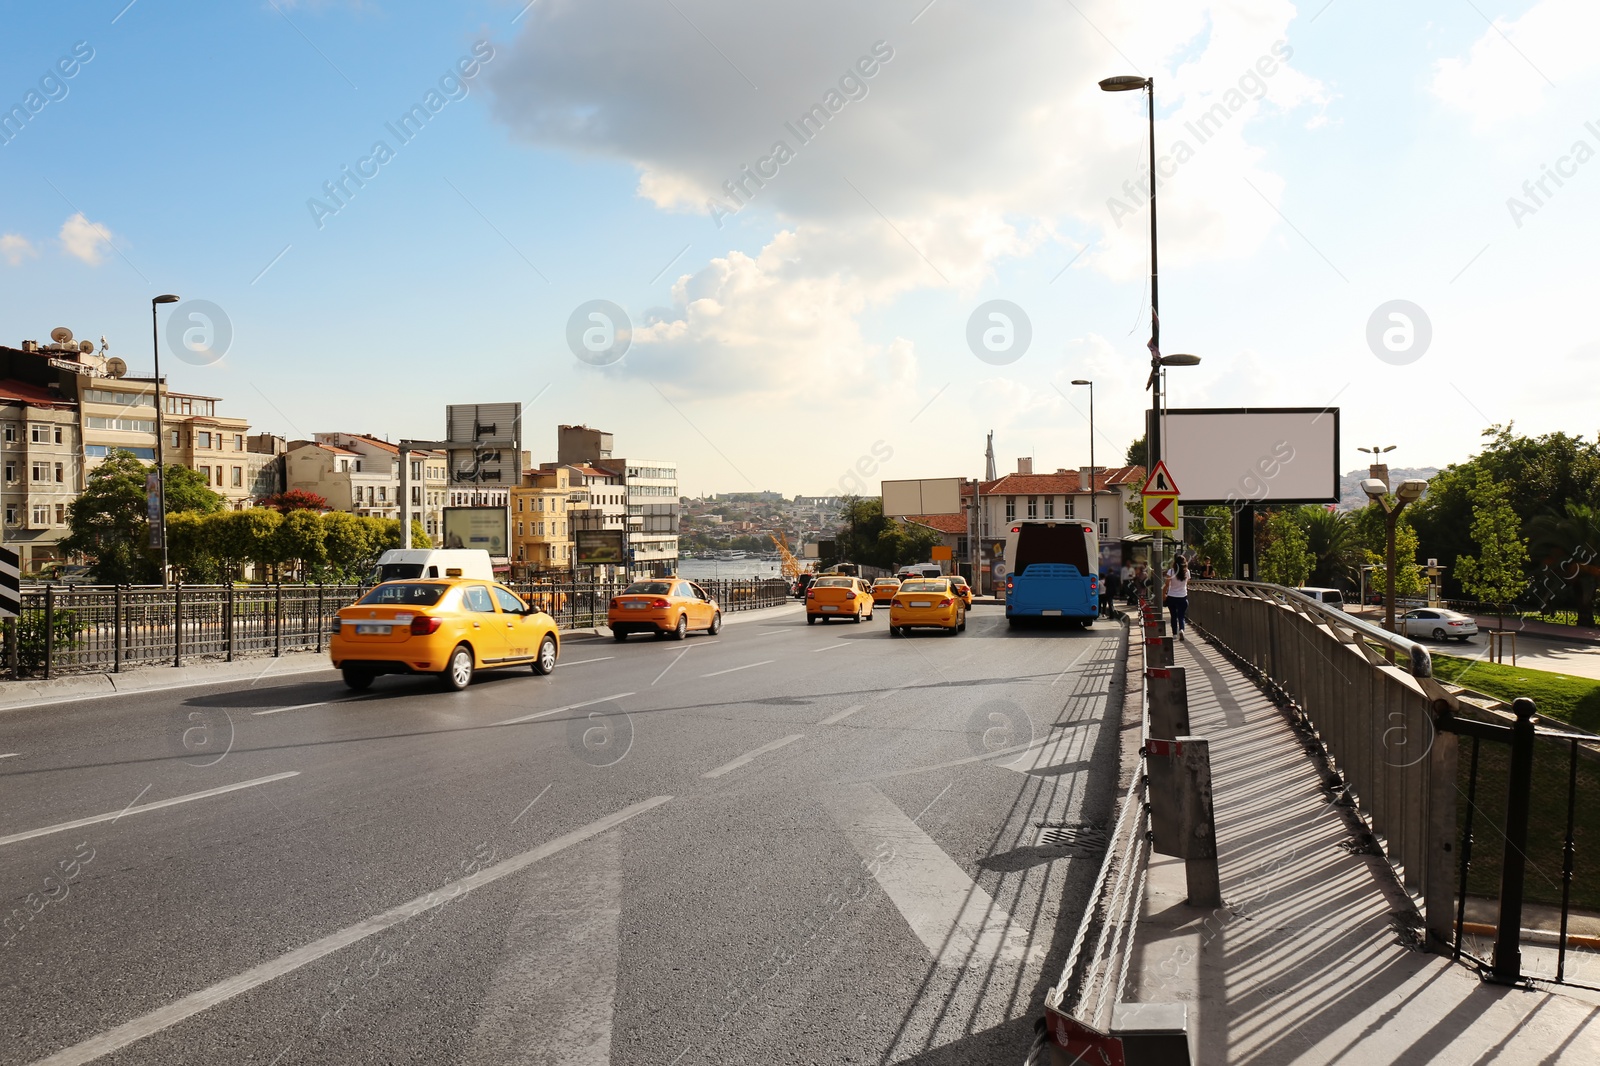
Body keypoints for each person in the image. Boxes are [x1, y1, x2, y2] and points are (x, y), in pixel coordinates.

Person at [1165, 555, 1191, 641]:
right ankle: (1181, 630)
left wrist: (1163, 594)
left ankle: (1174, 634)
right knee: (1181, 616)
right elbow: (1187, 583)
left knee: (1173, 616)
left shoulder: (1171, 571)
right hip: (1183, 596)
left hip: (1172, 596)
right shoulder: (1187, 572)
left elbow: (1167, 584)